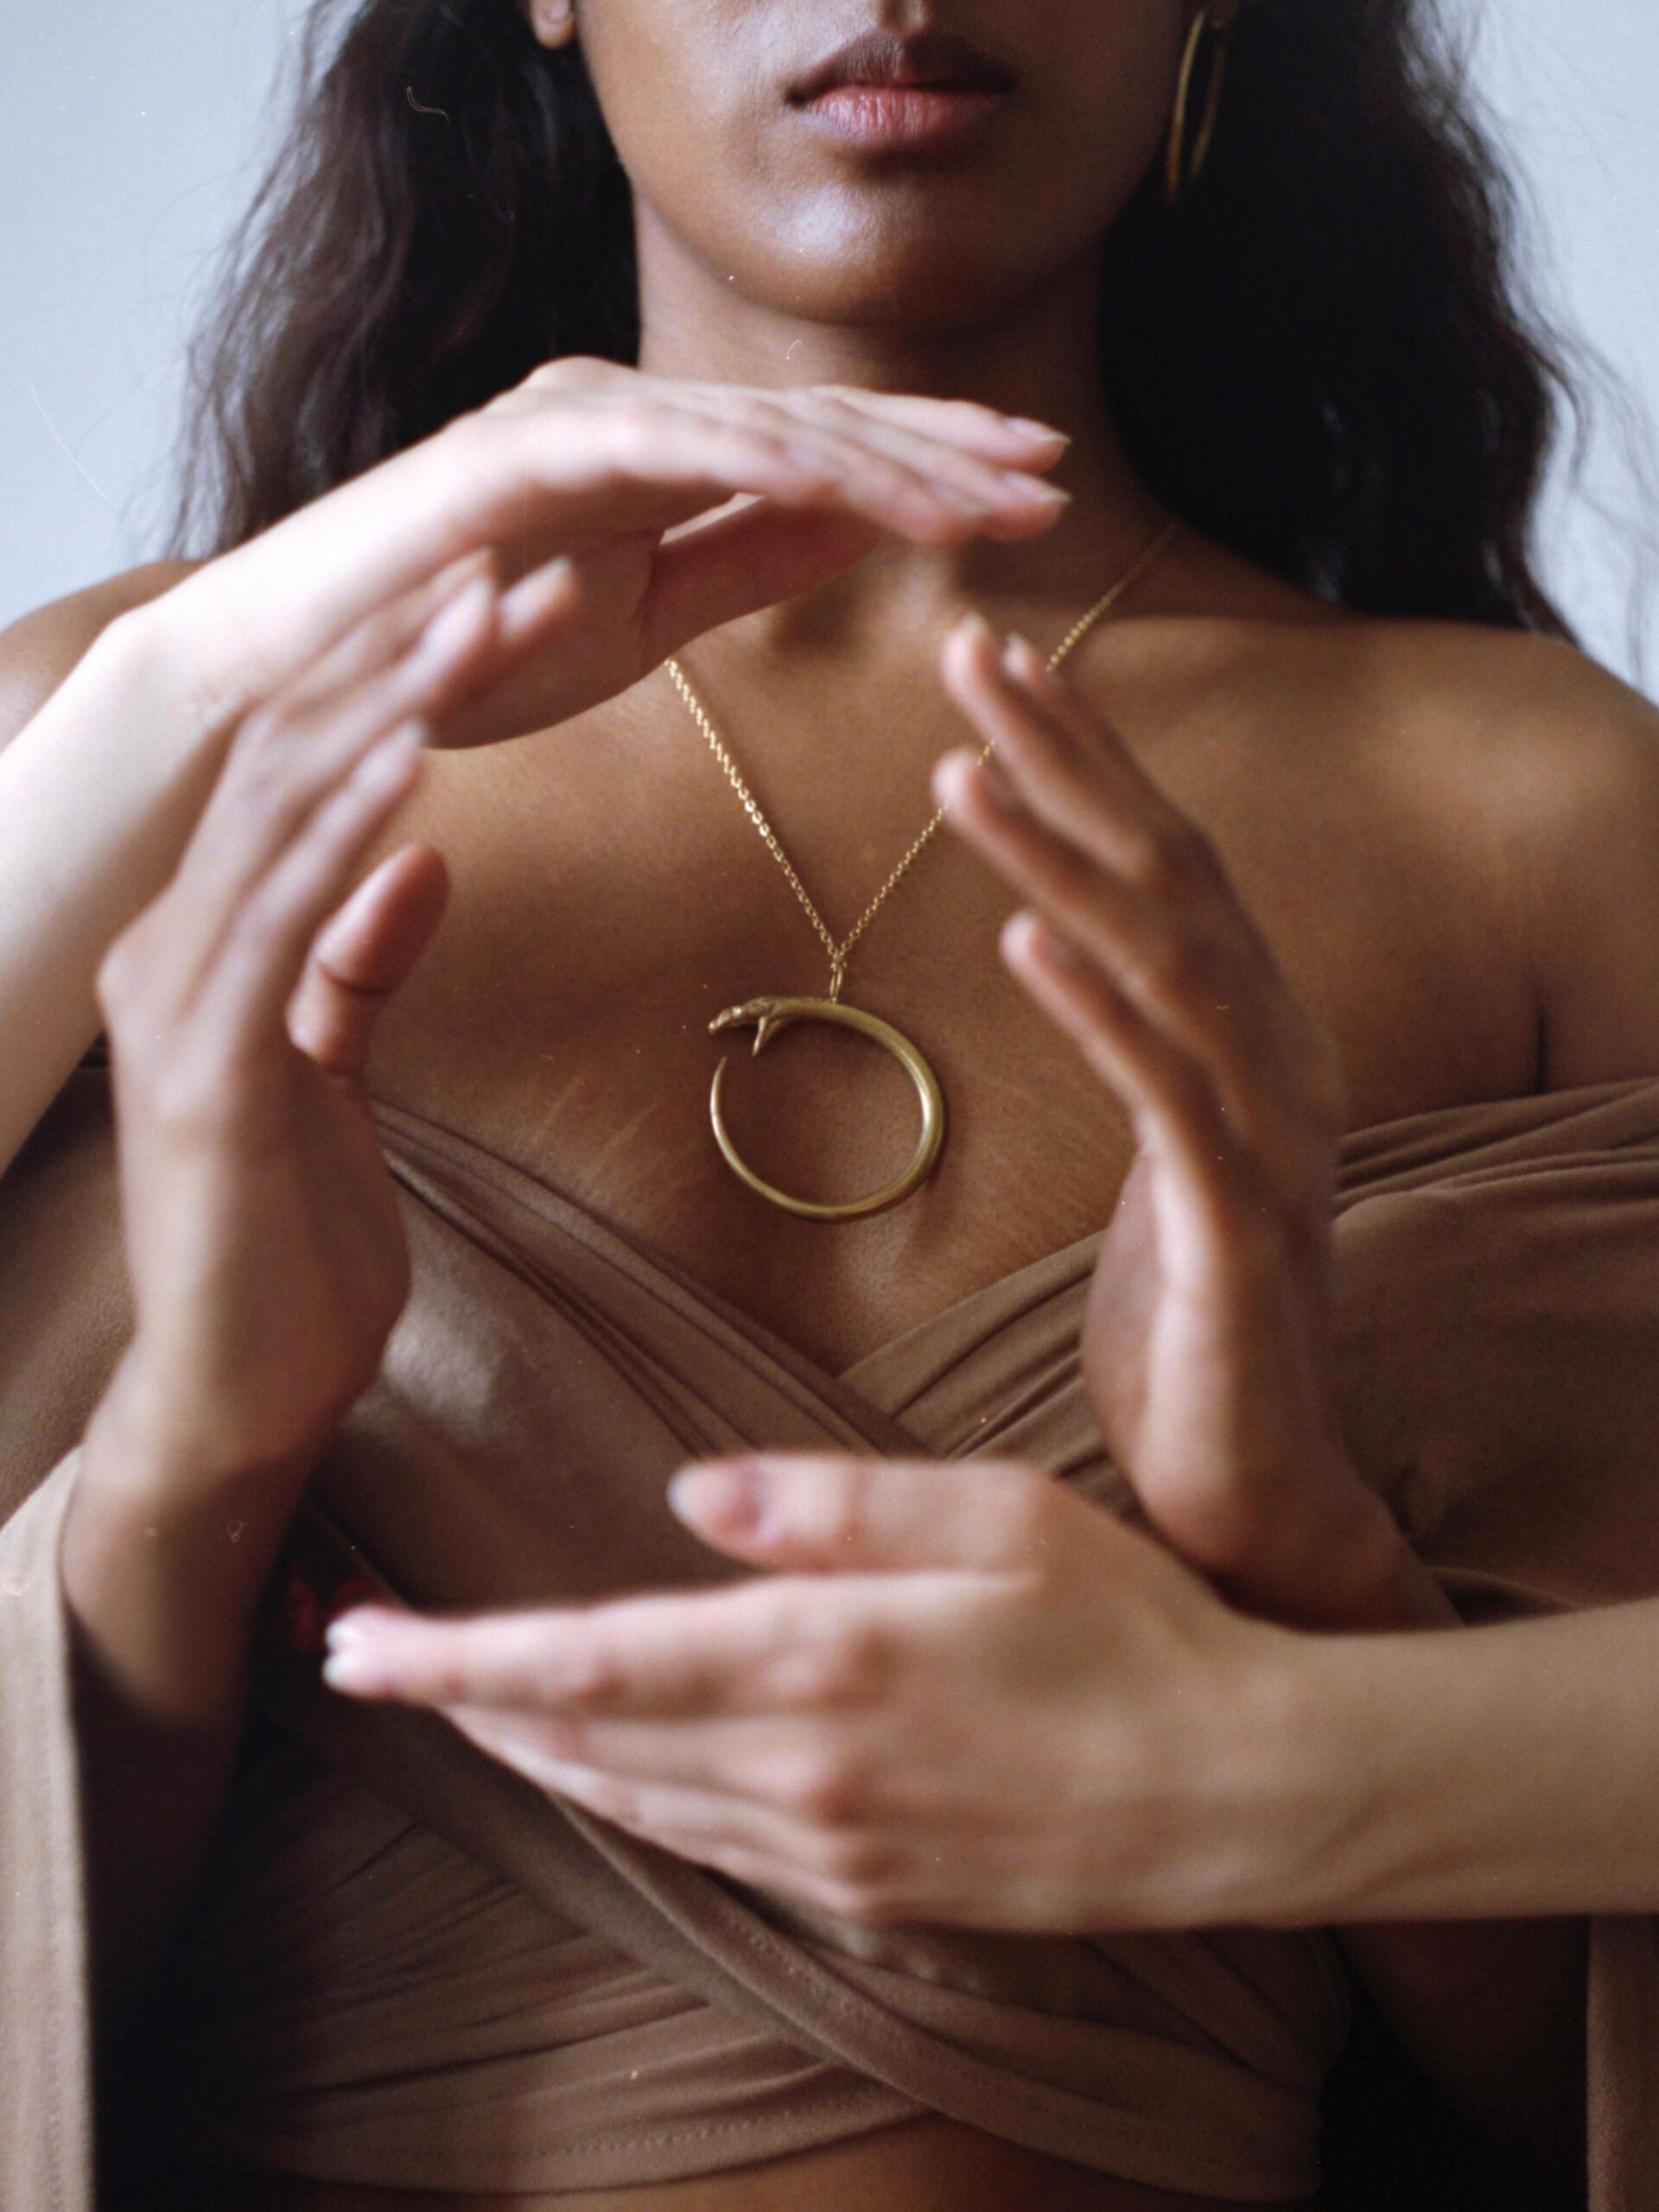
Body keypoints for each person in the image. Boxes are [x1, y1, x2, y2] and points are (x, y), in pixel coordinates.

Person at [3, 3, 1659, 2209]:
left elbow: (1584, 2094)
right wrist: (196, 1445)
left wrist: (1304, 1554)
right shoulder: (99, 758)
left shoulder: (1545, 822)